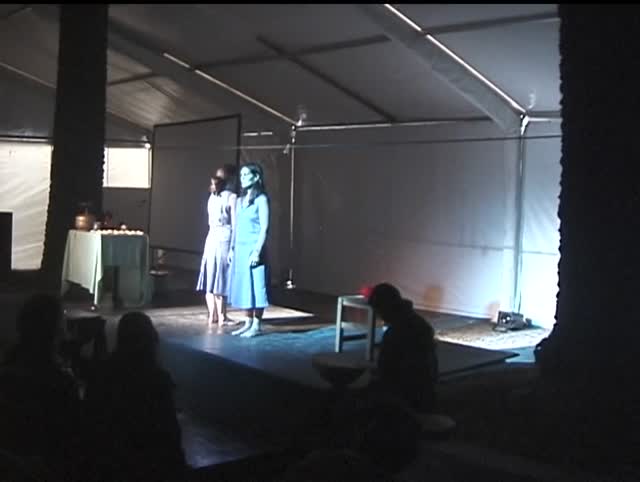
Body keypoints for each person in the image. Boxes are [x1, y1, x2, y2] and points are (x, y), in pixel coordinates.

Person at [367, 283, 438, 414]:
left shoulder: (397, 331)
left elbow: (387, 371)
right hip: (426, 388)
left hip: (408, 395)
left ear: (385, 308)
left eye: (379, 311)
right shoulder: (419, 322)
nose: (379, 316)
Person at [229, 162, 270, 338]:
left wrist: (257, 251)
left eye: (246, 175)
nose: (243, 178)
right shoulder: (239, 201)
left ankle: (257, 324)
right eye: (241, 175)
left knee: (256, 285)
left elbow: (264, 227)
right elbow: (236, 226)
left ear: (256, 177)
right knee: (245, 286)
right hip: (240, 248)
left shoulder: (261, 200)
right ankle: (247, 322)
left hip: (253, 248)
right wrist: (232, 248)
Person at [196, 167, 237, 331]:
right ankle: (222, 316)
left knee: (211, 275)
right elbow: (235, 224)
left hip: (211, 237)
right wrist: (233, 246)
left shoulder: (212, 196)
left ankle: (212, 314)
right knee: (221, 276)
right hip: (224, 238)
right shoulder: (231, 197)